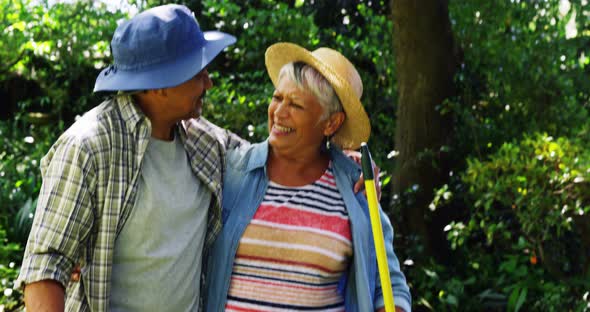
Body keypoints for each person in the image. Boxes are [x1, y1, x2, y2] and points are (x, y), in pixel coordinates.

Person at [16, 4, 246, 311]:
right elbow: (46, 267)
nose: (208, 82)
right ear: (158, 85)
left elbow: (270, 161)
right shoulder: (89, 146)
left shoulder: (207, 142)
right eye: (197, 72)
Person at [204, 43, 412, 312]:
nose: (279, 113)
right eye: (278, 98)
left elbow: (388, 286)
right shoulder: (232, 171)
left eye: (296, 105)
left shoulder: (357, 188)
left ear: (331, 123)